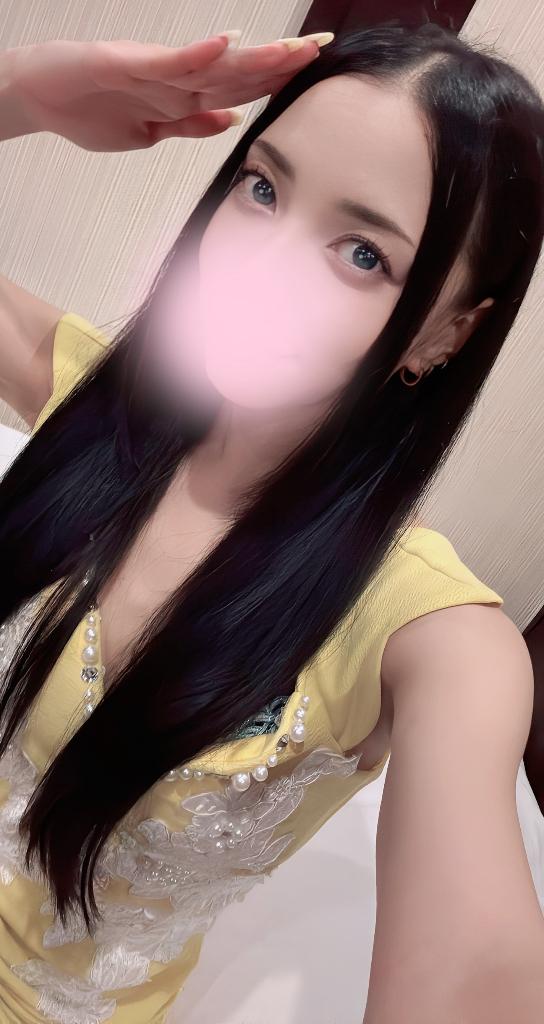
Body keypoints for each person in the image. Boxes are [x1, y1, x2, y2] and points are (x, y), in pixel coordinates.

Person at [0, 18, 543, 1024]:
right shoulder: (95, 407)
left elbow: (478, 971)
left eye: (361, 252)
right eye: (261, 187)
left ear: (446, 333)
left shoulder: (430, 637)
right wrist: (22, 90)